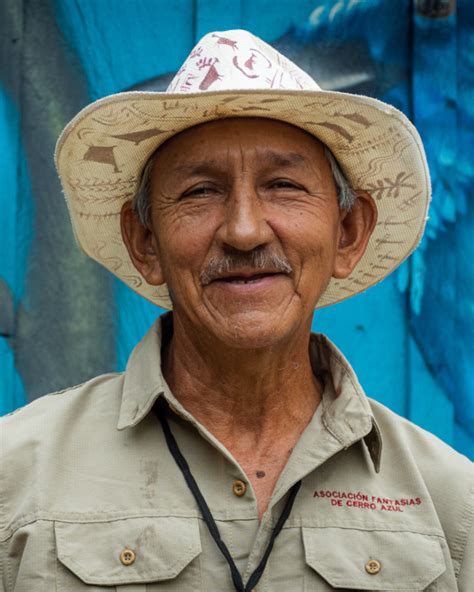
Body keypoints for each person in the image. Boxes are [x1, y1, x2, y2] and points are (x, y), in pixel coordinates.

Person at [1, 29, 472, 591]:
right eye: (200, 191)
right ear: (145, 240)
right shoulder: (17, 475)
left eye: (283, 185)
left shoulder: (450, 505)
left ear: (348, 232)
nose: (244, 231)